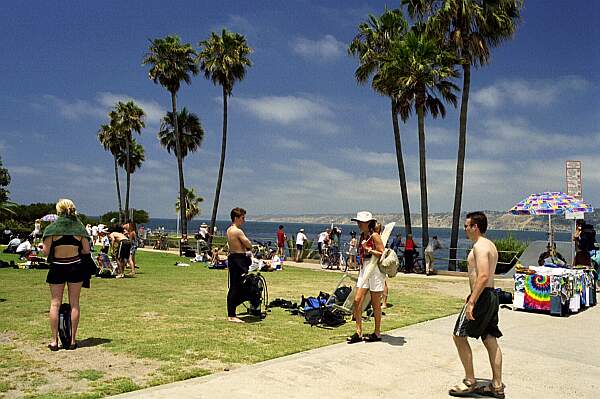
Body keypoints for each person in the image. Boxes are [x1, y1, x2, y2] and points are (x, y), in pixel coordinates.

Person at [450, 211, 503, 398]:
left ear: (475, 227)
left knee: (458, 335)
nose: (465, 228)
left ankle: (470, 381)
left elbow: (483, 275)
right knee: (490, 338)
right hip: (490, 295)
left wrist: (472, 301)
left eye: (467, 225)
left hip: (481, 297)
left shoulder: (480, 246)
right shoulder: (490, 245)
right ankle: (496, 385)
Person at [42, 198, 91, 351]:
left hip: (57, 267)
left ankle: (54, 341)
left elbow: (46, 251)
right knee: (74, 303)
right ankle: (72, 340)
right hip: (75, 266)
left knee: (55, 303)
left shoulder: (51, 229)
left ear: (59, 210)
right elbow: (87, 250)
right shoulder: (79, 229)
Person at [347, 211, 385, 344]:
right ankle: (358, 331)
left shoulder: (374, 236)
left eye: (360, 222)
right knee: (357, 300)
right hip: (365, 268)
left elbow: (381, 252)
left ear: (368, 223)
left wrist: (368, 249)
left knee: (375, 303)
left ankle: (377, 332)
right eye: (358, 222)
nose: (358, 224)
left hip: (375, 270)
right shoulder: (362, 235)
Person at [226, 207, 253, 323]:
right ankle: (232, 315)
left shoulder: (229, 230)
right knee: (236, 287)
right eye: (242, 218)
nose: (244, 220)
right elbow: (248, 244)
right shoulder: (237, 231)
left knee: (235, 286)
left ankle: (232, 312)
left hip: (234, 258)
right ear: (236, 218)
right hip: (238, 259)